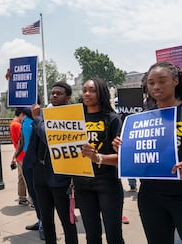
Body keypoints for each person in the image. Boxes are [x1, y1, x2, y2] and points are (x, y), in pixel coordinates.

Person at [114, 61, 182, 244]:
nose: (156, 86)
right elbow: (136, 156)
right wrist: (124, 148)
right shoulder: (140, 119)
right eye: (151, 83)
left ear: (175, 81)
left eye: (162, 81)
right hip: (151, 197)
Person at [74, 77, 125, 244]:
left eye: (92, 90)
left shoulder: (112, 119)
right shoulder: (74, 119)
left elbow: (120, 158)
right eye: (85, 90)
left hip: (107, 183)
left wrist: (97, 157)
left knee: (113, 234)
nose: (87, 94)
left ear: (101, 93)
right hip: (82, 183)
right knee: (92, 235)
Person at [30, 81, 79, 244]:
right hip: (41, 172)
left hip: (60, 175)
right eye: (53, 93)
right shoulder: (42, 114)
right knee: (46, 219)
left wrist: (37, 120)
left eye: (59, 93)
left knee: (66, 219)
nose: (55, 95)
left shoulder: (71, 116)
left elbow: (49, 138)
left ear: (68, 97)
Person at [19, 107, 45, 240]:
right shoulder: (24, 120)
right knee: (34, 195)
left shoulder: (43, 119)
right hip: (27, 162)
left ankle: (45, 225)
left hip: (40, 163)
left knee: (42, 197)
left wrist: (38, 119)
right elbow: (22, 140)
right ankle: (40, 219)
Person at [9, 107, 29, 206]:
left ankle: (22, 197)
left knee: (21, 177)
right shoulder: (18, 125)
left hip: (19, 154)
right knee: (27, 177)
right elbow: (22, 140)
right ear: (21, 114)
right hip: (23, 153)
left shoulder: (13, 124)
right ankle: (31, 199)